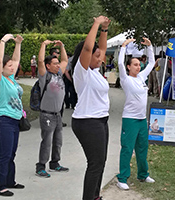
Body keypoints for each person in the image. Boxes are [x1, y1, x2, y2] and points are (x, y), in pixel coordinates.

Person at [71, 16, 111, 200]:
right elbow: (89, 48)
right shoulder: (82, 71)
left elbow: (100, 49)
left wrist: (104, 29)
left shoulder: (95, 71)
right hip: (87, 121)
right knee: (95, 164)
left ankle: (95, 196)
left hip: (101, 120)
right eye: (95, 57)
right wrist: (95, 23)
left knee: (100, 163)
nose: (100, 58)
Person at [116, 38, 156, 190]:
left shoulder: (141, 78)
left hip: (141, 119)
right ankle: (122, 178)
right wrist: (124, 47)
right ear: (128, 67)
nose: (138, 67)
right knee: (127, 148)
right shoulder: (126, 79)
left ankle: (143, 174)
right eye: (135, 65)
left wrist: (150, 46)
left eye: (139, 65)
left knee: (142, 148)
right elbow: (120, 63)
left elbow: (152, 63)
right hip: (130, 119)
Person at [0, 34, 24, 197]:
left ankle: (10, 181)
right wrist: (3, 41)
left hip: (14, 121)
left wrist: (17, 44)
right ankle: (0, 186)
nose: (13, 67)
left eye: (12, 66)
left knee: (11, 153)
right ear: (2, 67)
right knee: (4, 154)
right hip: (2, 120)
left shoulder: (11, 78)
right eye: (9, 65)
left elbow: (16, 60)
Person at [35, 39, 69, 178]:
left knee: (58, 140)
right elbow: (40, 61)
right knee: (47, 141)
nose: (58, 65)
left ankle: (55, 163)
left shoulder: (59, 75)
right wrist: (43, 45)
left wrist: (62, 46)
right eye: (55, 64)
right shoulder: (45, 76)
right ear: (48, 66)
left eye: (57, 63)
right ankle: (41, 166)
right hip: (47, 115)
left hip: (57, 114)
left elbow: (65, 60)